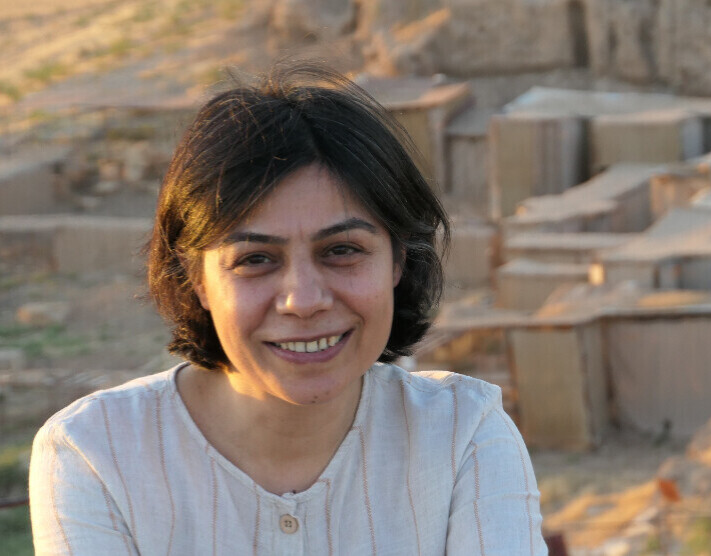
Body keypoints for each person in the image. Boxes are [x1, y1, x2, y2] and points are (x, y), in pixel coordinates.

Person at [29, 63, 547, 555]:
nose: (303, 300)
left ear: (398, 261)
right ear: (196, 279)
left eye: (341, 250)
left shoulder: (463, 434)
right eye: (255, 259)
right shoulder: (95, 454)